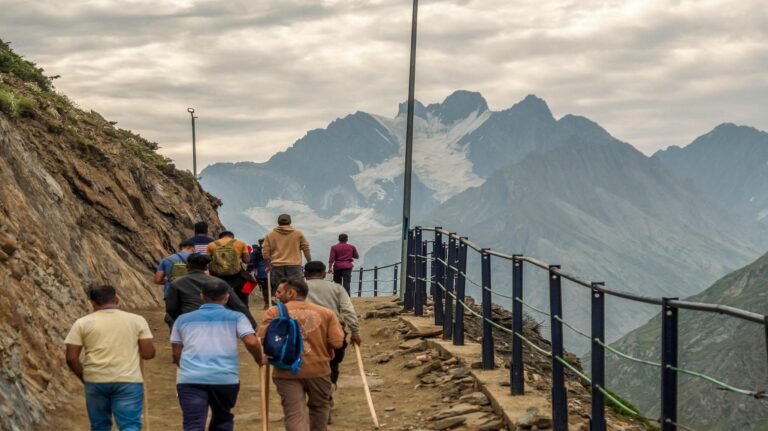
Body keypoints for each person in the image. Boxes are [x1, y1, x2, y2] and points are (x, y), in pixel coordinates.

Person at [171, 283, 266, 431]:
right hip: (224, 379)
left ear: (201, 296)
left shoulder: (183, 319)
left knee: (193, 423)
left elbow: (176, 353)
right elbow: (252, 342)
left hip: (191, 379)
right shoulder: (237, 317)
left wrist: (185, 367)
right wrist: (259, 359)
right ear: (227, 297)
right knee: (222, 419)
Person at [65, 285, 156, 431]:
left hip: (95, 381)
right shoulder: (137, 320)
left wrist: (85, 377)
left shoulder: (82, 323)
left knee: (100, 426)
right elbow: (148, 354)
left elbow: (71, 358)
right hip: (128, 380)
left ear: (93, 303)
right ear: (117, 300)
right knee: (130, 426)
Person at [258, 278, 344, 431]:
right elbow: (337, 343)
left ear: (291, 292)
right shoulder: (326, 313)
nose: (277, 296)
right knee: (319, 408)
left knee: (294, 413)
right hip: (319, 370)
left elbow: (262, 339)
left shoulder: (274, 312)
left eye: (280, 292)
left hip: (285, 371)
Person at [304, 261, 361, 384]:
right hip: (333, 330)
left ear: (305, 274)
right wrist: (354, 332)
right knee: (333, 360)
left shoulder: (297, 288)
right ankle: (330, 386)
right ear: (324, 274)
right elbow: (348, 310)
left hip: (305, 331)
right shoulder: (337, 288)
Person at [166, 253, 257, 327]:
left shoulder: (176, 283)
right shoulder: (219, 282)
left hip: (189, 323)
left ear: (187, 266)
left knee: (168, 318)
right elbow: (237, 305)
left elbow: (171, 308)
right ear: (206, 267)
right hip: (216, 321)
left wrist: (182, 320)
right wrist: (252, 324)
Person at [262, 214, 311, 292]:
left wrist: (268, 266)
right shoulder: (298, 234)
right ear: (290, 222)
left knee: (280, 291)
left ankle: (282, 304)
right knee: (296, 290)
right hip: (295, 266)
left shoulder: (270, 235)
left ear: (278, 222)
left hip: (277, 266)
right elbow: (306, 249)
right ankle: (294, 304)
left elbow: (265, 253)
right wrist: (309, 262)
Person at [207, 231, 251, 305]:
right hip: (236, 276)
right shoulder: (241, 243)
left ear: (219, 238)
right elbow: (247, 260)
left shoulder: (211, 245)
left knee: (218, 296)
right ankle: (244, 310)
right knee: (242, 296)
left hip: (218, 276)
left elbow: (207, 260)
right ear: (232, 237)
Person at [246, 238, 270, 309]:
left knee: (265, 288)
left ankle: (267, 303)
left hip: (262, 272)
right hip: (273, 271)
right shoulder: (272, 250)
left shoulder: (256, 252)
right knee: (270, 287)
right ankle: (270, 302)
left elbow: (252, 262)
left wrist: (248, 271)